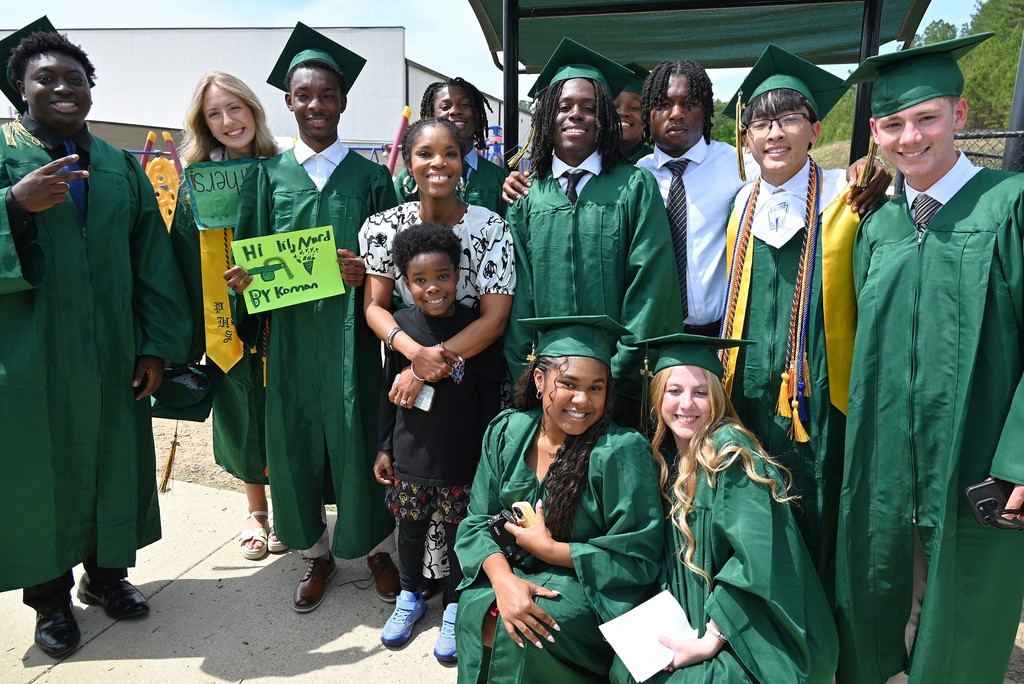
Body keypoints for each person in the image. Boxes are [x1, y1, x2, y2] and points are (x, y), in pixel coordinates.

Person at [836, 33, 1024, 683]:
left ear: (961, 117)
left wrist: (1022, 459)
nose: (910, 137)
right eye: (892, 123)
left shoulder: (1010, 206)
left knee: (964, 618)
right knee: (886, 602)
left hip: (978, 461)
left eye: (926, 118)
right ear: (877, 136)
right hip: (888, 462)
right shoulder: (876, 227)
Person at [0, 18, 191, 657]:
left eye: (75, 79)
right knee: (41, 470)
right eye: (44, 78)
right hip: (33, 354)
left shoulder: (116, 164)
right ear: (18, 88)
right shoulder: (5, 157)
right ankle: (49, 601)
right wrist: (12, 207)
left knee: (112, 455)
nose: (62, 88)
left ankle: (107, 578)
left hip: (112, 349)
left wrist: (156, 345)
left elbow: (152, 261)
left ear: (91, 89)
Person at [225, 22, 398, 613]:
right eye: (305, 95)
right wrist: (245, 284)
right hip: (291, 340)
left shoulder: (374, 179)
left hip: (353, 339)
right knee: (295, 441)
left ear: (344, 101)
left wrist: (368, 275)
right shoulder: (265, 178)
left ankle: (374, 547)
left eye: (328, 95)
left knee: (358, 437)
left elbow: (395, 263)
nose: (317, 105)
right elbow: (246, 261)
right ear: (288, 102)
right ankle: (315, 552)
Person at [610, 334, 838, 683]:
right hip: (691, 620)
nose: (687, 403)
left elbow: (755, 559)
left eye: (700, 392)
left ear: (716, 398)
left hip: (753, 637)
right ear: (657, 398)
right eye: (674, 391)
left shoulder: (729, 453)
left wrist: (711, 641)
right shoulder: (663, 457)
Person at [715, 46, 861, 583]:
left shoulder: (848, 197)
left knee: (817, 492)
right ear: (747, 137)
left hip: (816, 385)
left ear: (815, 129)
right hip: (749, 380)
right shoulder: (740, 204)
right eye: (760, 122)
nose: (774, 133)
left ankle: (818, 612)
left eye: (788, 119)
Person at [455, 315, 665, 683]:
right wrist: (504, 582)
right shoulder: (508, 431)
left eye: (596, 388)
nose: (582, 400)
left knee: (522, 630)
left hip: (589, 585)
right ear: (540, 379)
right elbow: (475, 522)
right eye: (568, 384)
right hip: (510, 568)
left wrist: (552, 551)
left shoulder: (619, 451)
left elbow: (640, 557)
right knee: (481, 611)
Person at [360, 116, 515, 601]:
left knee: (460, 484)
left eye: (449, 152)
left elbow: (493, 320)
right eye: (425, 153)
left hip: (473, 378)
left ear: (464, 161)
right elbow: (374, 307)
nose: (438, 163)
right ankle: (415, 586)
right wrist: (411, 355)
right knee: (416, 484)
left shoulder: (490, 227)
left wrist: (428, 364)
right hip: (410, 369)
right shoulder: (384, 227)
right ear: (408, 162)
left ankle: (456, 590)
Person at [502, 38, 684, 405]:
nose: (575, 114)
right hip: (547, 381)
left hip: (617, 381)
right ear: (545, 117)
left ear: (604, 120)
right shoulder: (526, 197)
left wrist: (616, 375)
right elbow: (518, 297)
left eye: (589, 107)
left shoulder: (634, 186)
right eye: (563, 106)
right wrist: (531, 374)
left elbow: (649, 285)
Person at [170, 72, 287, 561]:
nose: (227, 121)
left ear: (253, 109)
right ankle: (255, 512)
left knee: (282, 408)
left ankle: (289, 507)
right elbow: (179, 256)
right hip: (225, 317)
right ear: (203, 124)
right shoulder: (198, 183)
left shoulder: (284, 168)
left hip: (280, 311)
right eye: (214, 114)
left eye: (234, 108)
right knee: (240, 410)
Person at [372, 222, 503, 661]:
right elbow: (388, 394)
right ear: (406, 284)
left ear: (458, 275)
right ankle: (409, 597)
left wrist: (487, 452)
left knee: (455, 536)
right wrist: (384, 447)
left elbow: (488, 393)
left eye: (443, 277)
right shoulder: (403, 331)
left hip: (461, 461)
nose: (433, 287)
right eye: (421, 280)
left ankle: (452, 606)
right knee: (409, 532)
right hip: (410, 459)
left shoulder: (475, 327)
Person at [394, 77, 508, 216]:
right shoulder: (412, 177)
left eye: (465, 105)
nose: (455, 111)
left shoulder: (498, 178)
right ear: (432, 116)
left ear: (477, 114)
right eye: (445, 107)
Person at [617, 63, 652, 164]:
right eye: (614, 107)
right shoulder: (584, 161)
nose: (623, 112)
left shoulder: (657, 165)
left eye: (634, 108)